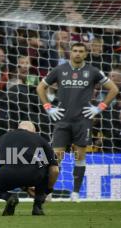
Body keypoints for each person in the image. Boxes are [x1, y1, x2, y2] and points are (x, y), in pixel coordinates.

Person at [36, 42, 119, 202]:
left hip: (83, 121)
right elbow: (40, 87)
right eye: (75, 51)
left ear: (86, 54)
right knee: (56, 157)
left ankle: (75, 193)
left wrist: (100, 107)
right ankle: (48, 191)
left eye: (81, 51)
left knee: (80, 156)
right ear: (70, 53)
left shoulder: (93, 71)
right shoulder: (60, 70)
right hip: (62, 121)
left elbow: (114, 89)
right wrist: (48, 107)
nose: (77, 54)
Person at [0, 121, 60, 216]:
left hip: (7, 175)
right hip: (32, 175)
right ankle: (38, 206)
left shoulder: (4, 138)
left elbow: (6, 166)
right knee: (45, 166)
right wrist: (47, 191)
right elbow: (55, 170)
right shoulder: (39, 139)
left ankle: (9, 197)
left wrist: (25, 188)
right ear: (33, 131)